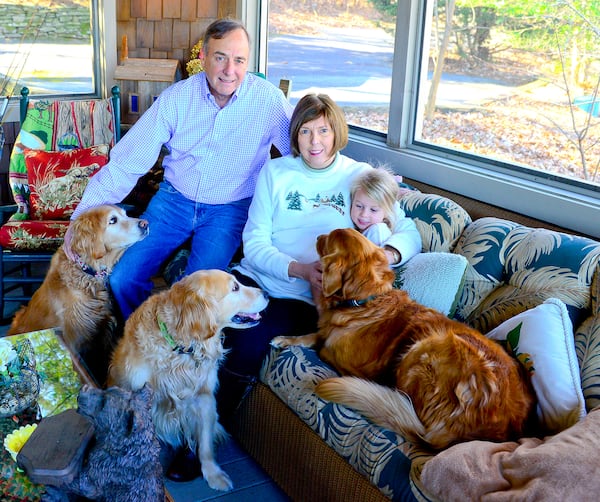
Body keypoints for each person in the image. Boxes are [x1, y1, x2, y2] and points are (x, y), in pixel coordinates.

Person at [69, 18, 294, 320]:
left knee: (197, 296)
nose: (230, 70)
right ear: (203, 58)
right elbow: (126, 162)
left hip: (230, 208)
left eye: (239, 60)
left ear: (247, 60)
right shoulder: (176, 99)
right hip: (173, 201)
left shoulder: (268, 101)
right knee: (122, 278)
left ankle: (177, 350)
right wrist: (79, 219)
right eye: (220, 58)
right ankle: (138, 339)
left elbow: (305, 149)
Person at [218, 93, 422, 419]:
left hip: (306, 300)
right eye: (306, 131)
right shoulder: (275, 172)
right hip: (257, 278)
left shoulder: (357, 174)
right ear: (295, 135)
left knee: (244, 344)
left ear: (337, 132)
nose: (315, 142)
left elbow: (408, 230)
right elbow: (253, 243)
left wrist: (383, 254)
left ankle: (206, 436)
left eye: (324, 131)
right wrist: (298, 268)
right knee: (202, 317)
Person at [349, 166, 401, 246]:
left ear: (387, 211)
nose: (364, 214)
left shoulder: (377, 233)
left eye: (373, 210)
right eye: (359, 206)